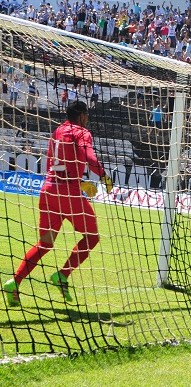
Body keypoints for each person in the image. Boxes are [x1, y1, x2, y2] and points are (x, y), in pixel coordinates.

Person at [4, 101, 113, 306]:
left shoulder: (57, 132)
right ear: (81, 115)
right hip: (68, 194)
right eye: (86, 114)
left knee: (45, 244)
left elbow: (53, 164)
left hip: (48, 190)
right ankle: (62, 275)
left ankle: (14, 282)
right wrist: (104, 176)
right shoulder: (81, 132)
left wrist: (79, 182)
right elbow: (89, 156)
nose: (87, 118)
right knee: (92, 237)